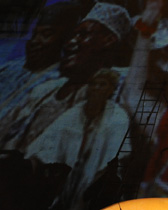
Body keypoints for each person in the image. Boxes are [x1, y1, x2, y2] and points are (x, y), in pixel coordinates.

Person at [0, 2, 131, 151]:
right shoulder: (44, 91)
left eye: (82, 34)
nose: (70, 43)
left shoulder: (122, 90)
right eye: (73, 35)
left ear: (108, 40)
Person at [25, 69, 129, 210]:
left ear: (111, 89)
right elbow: (49, 138)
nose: (96, 88)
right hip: (68, 176)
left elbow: (115, 153)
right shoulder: (75, 112)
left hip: (97, 180)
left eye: (102, 84)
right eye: (93, 84)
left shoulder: (118, 117)